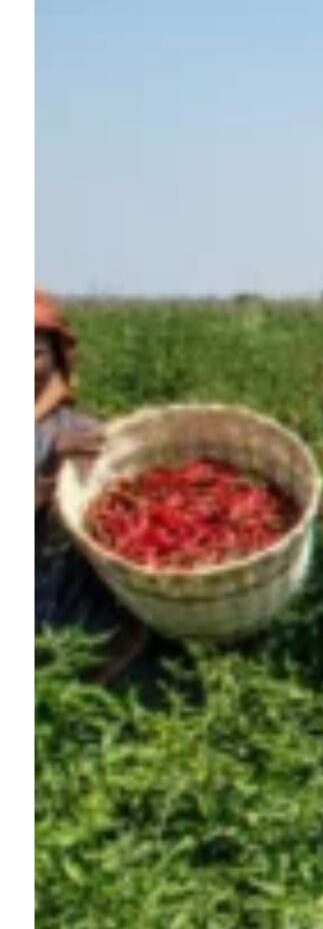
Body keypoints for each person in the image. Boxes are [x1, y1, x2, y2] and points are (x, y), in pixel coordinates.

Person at [34, 289, 152, 681]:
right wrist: (48, 472)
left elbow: (118, 525)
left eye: (34, 352)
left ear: (56, 359)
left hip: (66, 602)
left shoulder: (81, 430)